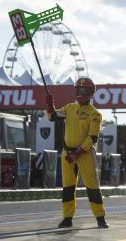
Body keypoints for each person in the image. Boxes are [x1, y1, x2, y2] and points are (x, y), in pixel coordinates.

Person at [46, 77, 109, 228]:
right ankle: (67, 218)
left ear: (90, 93)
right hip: (67, 153)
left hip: (85, 154)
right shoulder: (69, 108)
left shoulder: (95, 114)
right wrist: (49, 105)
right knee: (67, 187)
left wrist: (77, 153)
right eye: (78, 90)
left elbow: (92, 137)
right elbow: (52, 117)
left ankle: (100, 218)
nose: (80, 92)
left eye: (83, 90)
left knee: (92, 186)